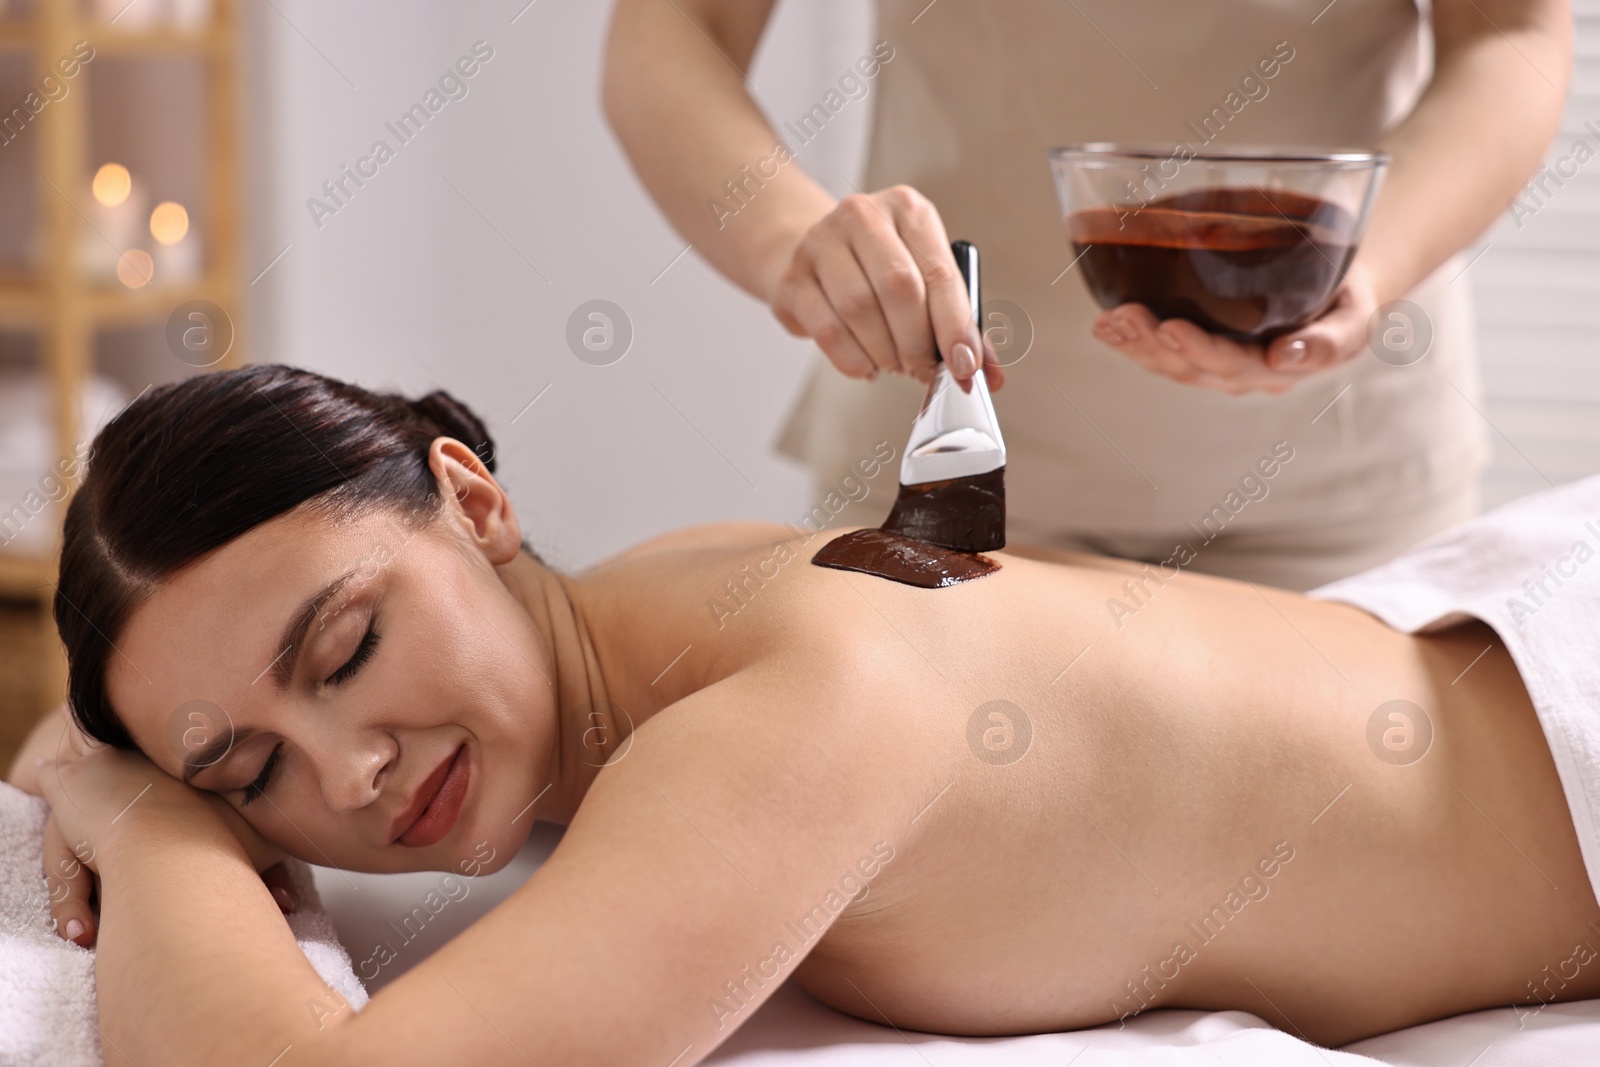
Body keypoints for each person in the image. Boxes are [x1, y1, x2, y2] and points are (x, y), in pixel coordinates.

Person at [18, 365, 1600, 1065]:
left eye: (350, 645)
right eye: (249, 768)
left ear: (473, 498)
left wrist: (140, 812)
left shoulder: (784, 713)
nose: (349, 774)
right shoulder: (648, 609)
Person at [602, 0, 1572, 590]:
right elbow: (672, 26)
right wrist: (792, 246)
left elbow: (1512, 31)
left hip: (1338, 485)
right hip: (946, 464)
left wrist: (1370, 270)